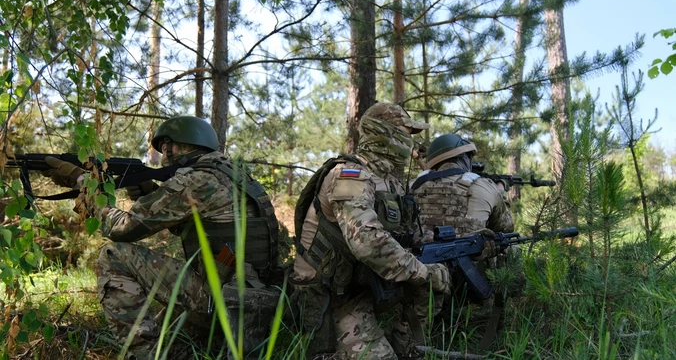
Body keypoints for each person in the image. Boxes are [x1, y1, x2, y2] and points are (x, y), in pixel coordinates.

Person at [41, 116, 280, 359]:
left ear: (174, 146)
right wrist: (152, 192)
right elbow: (196, 226)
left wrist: (85, 184)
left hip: (221, 297)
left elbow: (123, 228)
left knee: (114, 255)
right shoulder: (232, 174)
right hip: (251, 295)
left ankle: (146, 355)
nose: (163, 156)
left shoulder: (195, 180)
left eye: (165, 148)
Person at [290, 102, 452, 360]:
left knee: (433, 281)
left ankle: (409, 349)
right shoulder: (350, 175)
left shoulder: (390, 183)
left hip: (361, 279)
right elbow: (366, 241)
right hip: (328, 291)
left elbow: (407, 235)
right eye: (405, 133)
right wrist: (422, 272)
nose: (411, 143)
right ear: (384, 133)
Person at [410, 133, 515, 348]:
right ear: (463, 158)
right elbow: (505, 227)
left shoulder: (411, 186)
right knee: (507, 246)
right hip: (467, 285)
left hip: (417, 280)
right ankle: (492, 320)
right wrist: (499, 193)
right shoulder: (483, 186)